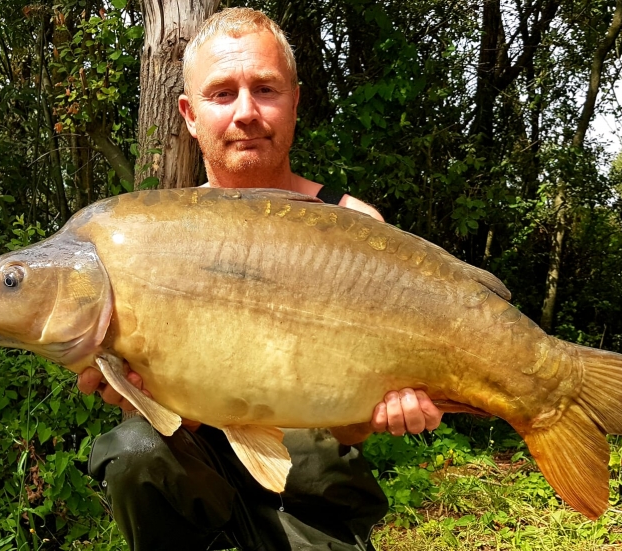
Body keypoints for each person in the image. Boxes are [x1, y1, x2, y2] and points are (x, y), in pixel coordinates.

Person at [77, 8, 444, 550]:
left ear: (295, 99)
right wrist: (146, 395)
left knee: (317, 459)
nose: (246, 112)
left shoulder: (354, 227)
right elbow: (181, 419)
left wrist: (383, 413)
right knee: (134, 450)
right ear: (188, 114)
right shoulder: (155, 236)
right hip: (196, 474)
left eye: (265, 89)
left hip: (311, 488)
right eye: (222, 94)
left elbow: (349, 431)